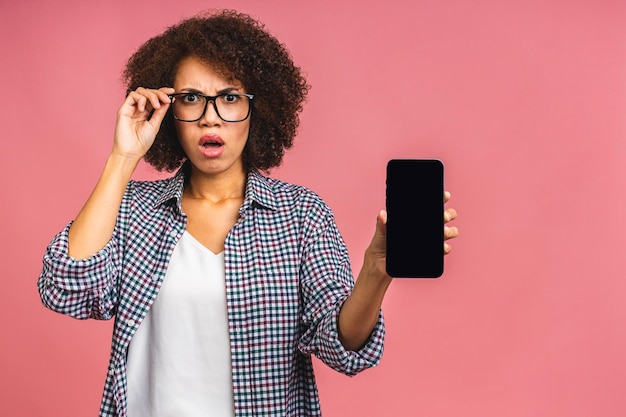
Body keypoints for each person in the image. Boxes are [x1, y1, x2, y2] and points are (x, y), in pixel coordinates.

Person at [38, 9, 458, 417]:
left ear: (259, 107)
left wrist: (375, 271)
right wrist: (122, 156)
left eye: (230, 98)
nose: (210, 119)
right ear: (169, 111)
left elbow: (343, 347)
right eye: (190, 99)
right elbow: (68, 290)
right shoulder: (131, 208)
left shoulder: (301, 215)